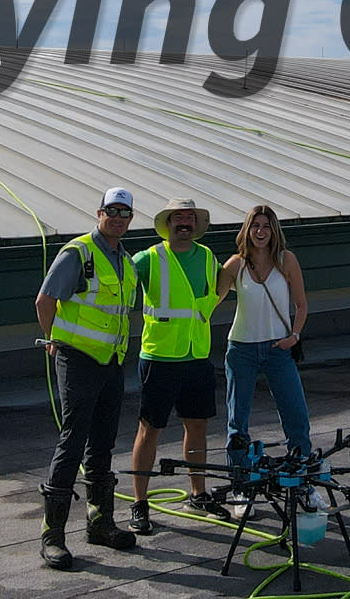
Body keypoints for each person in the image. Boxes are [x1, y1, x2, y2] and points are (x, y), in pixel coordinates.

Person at [33, 187, 141, 570]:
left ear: (131, 219)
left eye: (124, 213)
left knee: (103, 442)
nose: (118, 218)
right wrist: (52, 341)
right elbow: (45, 300)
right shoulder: (78, 253)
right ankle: (53, 535)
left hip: (111, 363)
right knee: (72, 442)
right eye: (111, 211)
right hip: (77, 359)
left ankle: (100, 523)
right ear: (99, 213)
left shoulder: (125, 262)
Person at [126, 197, 223, 534]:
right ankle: (139, 503)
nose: (184, 222)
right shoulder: (147, 259)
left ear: (196, 224)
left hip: (197, 357)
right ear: (167, 223)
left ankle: (198, 493)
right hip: (160, 358)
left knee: (197, 428)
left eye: (189, 217)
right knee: (149, 430)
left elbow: (217, 295)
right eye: (178, 217)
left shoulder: (209, 258)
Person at [219, 204, 312, 470]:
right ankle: (240, 478)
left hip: (278, 348)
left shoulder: (286, 260)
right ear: (247, 230)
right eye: (255, 226)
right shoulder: (236, 264)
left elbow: (301, 304)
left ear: (274, 230)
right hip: (242, 350)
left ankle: (302, 471)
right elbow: (211, 301)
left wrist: (294, 335)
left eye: (266, 226)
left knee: (296, 413)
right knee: (238, 419)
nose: (260, 231)